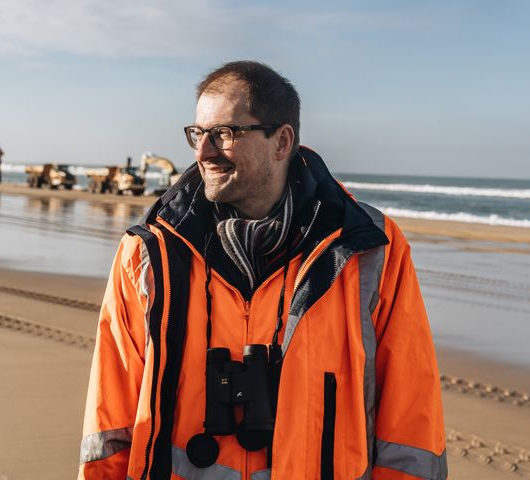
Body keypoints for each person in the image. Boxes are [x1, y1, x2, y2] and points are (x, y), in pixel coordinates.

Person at [79, 61, 447, 480]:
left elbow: (411, 421)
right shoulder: (149, 253)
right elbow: (109, 421)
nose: (203, 152)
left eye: (224, 133)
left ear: (281, 141)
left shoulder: (368, 250)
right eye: (197, 134)